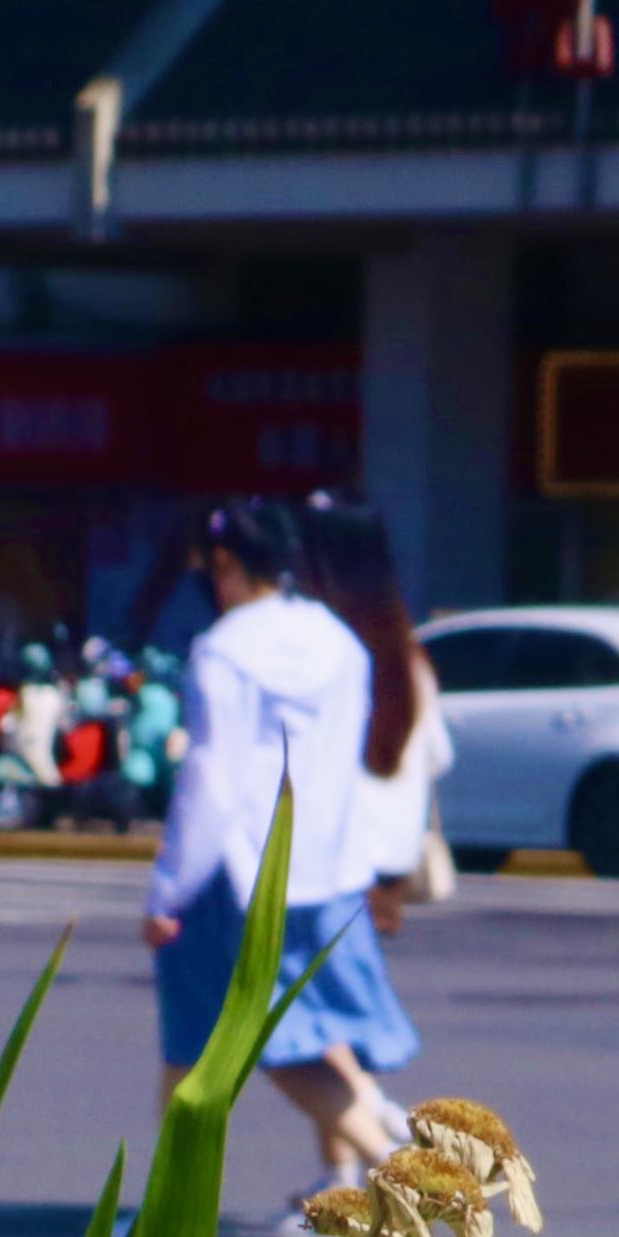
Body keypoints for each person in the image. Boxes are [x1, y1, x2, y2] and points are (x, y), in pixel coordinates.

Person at [141, 497, 410, 1191]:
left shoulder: (224, 651)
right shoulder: (337, 641)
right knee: (283, 1035)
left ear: (225, 564)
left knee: (241, 1039)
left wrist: (167, 890)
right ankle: (172, 1197)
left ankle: (392, 1170)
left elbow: (211, 779)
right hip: (326, 870)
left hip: (238, 875)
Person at [311, 501, 457, 1109]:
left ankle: (378, 1128)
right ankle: (349, 1147)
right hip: (391, 863)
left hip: (339, 863)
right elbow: (438, 755)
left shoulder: (332, 651)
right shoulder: (409, 654)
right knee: (332, 1019)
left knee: (311, 1022)